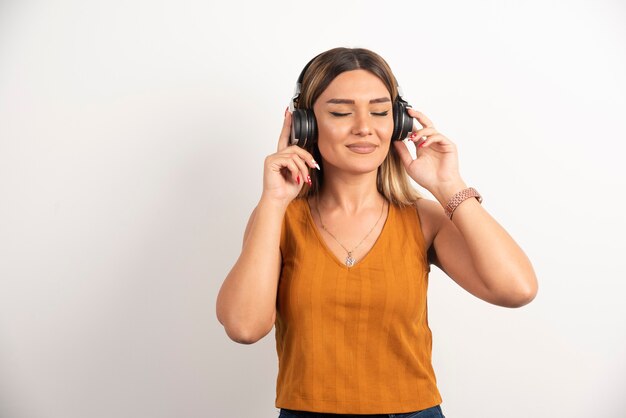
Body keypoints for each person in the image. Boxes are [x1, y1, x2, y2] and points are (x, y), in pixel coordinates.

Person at [216, 47, 538, 418]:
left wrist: (449, 186)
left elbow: (517, 289)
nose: (365, 126)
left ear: (399, 122)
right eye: (340, 112)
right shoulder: (278, 218)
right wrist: (272, 201)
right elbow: (243, 326)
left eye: (381, 111)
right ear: (306, 124)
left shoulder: (423, 218)